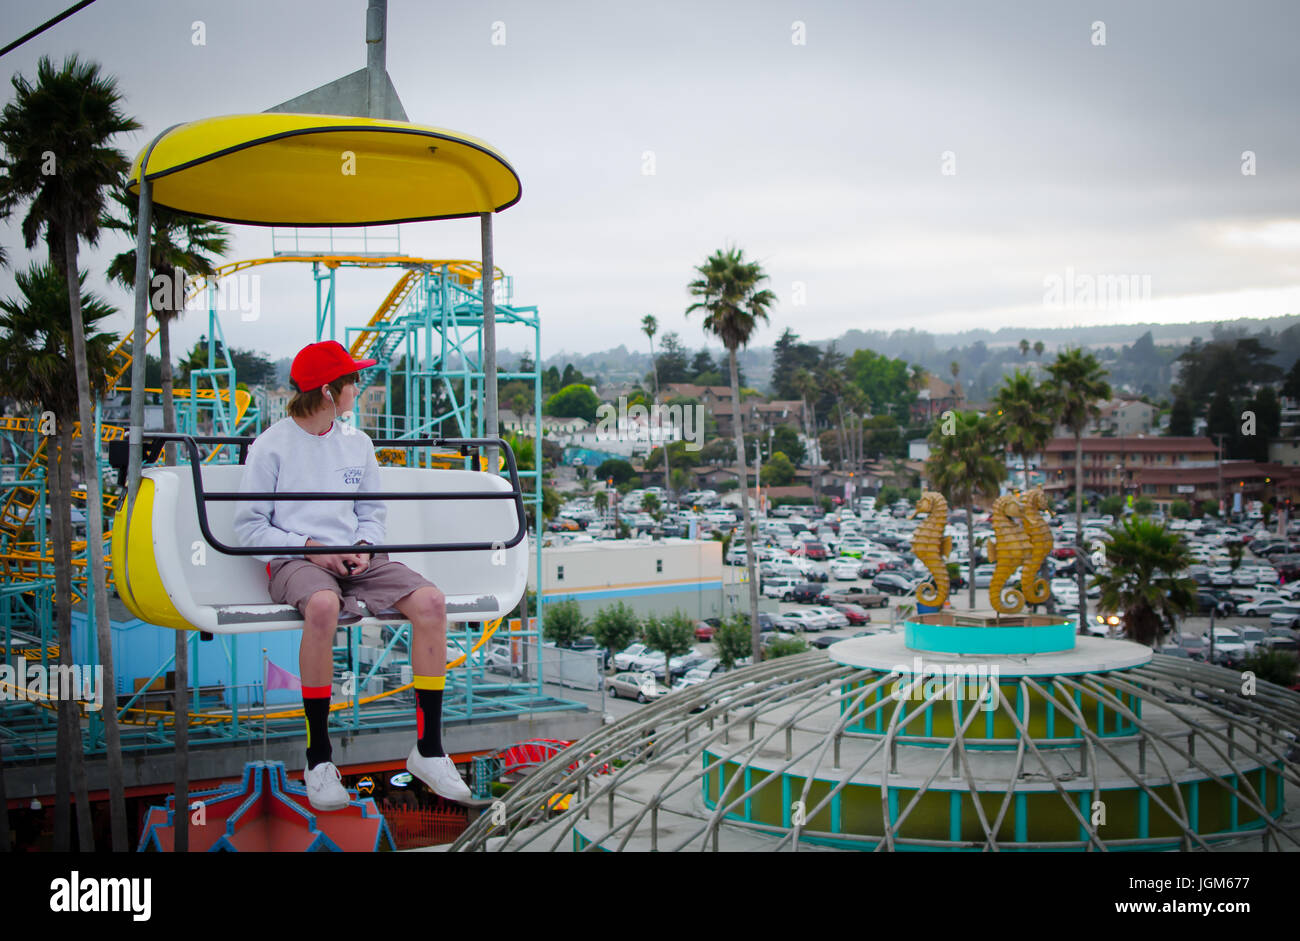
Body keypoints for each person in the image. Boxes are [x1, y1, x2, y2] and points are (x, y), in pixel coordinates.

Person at [233, 340, 470, 810]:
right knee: (322, 606)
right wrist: (311, 549)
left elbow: (372, 512)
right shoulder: (271, 446)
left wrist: (363, 547)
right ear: (327, 391)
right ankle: (319, 759)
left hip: (354, 558)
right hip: (295, 559)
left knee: (431, 603)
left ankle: (428, 748)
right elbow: (248, 526)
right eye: (352, 380)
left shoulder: (357, 443)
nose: (359, 388)